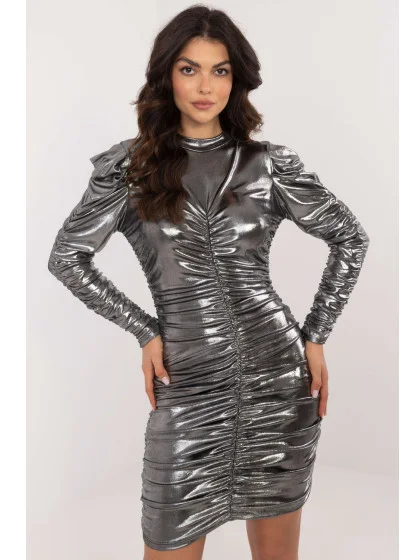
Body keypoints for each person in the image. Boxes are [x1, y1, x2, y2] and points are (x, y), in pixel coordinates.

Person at [47, 5, 370, 559]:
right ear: (166, 76)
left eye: (220, 70)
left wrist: (316, 335)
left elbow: (350, 238)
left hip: (277, 376)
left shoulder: (267, 165)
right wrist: (145, 330)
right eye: (189, 69)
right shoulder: (130, 169)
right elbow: (67, 258)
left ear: (236, 79)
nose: (205, 86)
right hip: (188, 380)